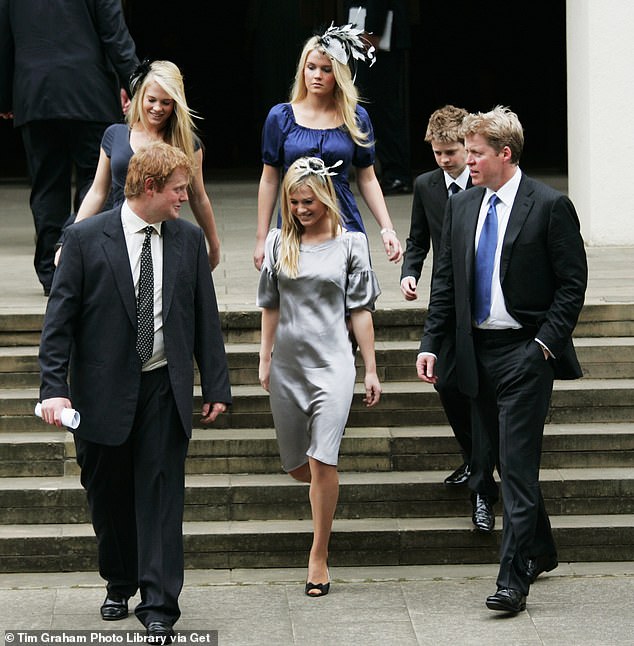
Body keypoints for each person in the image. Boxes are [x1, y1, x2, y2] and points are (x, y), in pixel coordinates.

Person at [38, 142, 232, 640]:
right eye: (178, 190)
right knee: (108, 496)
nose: (185, 198)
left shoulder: (187, 241)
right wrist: (53, 389)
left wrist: (216, 385)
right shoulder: (84, 239)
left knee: (162, 492)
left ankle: (160, 603)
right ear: (150, 188)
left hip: (164, 385)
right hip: (101, 391)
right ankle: (120, 581)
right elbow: (58, 323)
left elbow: (205, 318)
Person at [416, 106, 587, 614]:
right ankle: (543, 550)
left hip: (525, 353)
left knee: (515, 468)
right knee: (496, 460)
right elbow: (446, 282)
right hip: (474, 353)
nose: (466, 162)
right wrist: (430, 342)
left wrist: (544, 348)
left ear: (504, 154)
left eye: (475, 154)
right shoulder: (464, 207)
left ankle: (512, 581)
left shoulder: (550, 205)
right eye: (465, 153)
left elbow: (572, 285)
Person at [257, 156, 382, 596]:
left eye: (307, 200)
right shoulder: (278, 243)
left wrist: (369, 367)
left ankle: (318, 556)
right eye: (292, 202)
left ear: (325, 197)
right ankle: (325, 492)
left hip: (334, 364)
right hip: (289, 365)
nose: (299, 209)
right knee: (298, 467)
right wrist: (264, 357)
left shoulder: (351, 244)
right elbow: (270, 304)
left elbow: (360, 310)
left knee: (322, 458)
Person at [0, 0, 139, 295]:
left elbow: (4, 39)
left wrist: (6, 96)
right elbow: (115, 36)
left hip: (34, 94)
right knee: (97, 178)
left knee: (47, 184)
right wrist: (139, 84)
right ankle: (78, 255)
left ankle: (52, 271)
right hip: (89, 93)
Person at [401, 105, 495, 533]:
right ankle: (476, 459)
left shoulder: (484, 183)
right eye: (437, 153)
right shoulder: (426, 186)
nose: (445, 160)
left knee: (478, 392)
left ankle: (482, 481)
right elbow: (419, 236)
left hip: (486, 298)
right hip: (448, 296)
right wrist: (408, 271)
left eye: (451, 152)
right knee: (448, 385)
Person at [253, 22, 402, 271]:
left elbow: (367, 178)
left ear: (339, 75)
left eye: (326, 69)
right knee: (295, 294)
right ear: (302, 70)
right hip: (296, 217)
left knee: (351, 296)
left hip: (343, 218)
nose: (317, 75)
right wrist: (262, 239)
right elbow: (269, 179)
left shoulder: (356, 118)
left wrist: (387, 229)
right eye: (311, 68)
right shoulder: (281, 117)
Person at [55, 59, 221, 270]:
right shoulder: (115, 135)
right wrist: (69, 239)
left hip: (165, 236)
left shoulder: (187, 143)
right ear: (140, 96)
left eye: (166, 102)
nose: (157, 108)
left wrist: (214, 245)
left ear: (175, 104)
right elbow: (97, 192)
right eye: (151, 100)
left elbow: (198, 196)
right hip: (119, 235)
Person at [346, 0, 412, 195]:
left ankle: (397, 173)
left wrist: (373, 31)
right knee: (378, 106)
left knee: (380, 106)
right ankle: (393, 171)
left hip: (377, 38)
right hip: (371, 31)